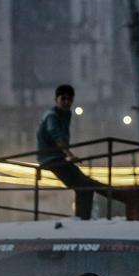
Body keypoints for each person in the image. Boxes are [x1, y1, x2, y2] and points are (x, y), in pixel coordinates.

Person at [37, 85, 99, 220]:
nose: (66, 102)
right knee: (84, 185)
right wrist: (70, 156)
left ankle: (83, 218)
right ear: (56, 99)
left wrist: (67, 155)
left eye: (69, 99)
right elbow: (57, 136)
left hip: (59, 158)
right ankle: (82, 219)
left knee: (86, 185)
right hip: (50, 158)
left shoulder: (67, 114)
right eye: (63, 99)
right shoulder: (52, 116)